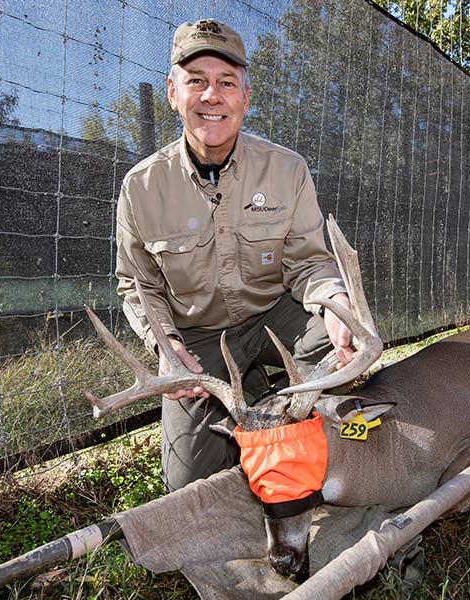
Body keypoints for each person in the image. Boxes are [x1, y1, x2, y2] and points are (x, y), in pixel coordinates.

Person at [115, 18, 354, 491]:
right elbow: (137, 285)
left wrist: (336, 306)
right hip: (199, 339)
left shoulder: (287, 170)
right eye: (196, 81)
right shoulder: (141, 187)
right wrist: (168, 346)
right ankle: (259, 395)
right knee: (188, 484)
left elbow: (309, 261)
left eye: (227, 83)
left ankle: (326, 451)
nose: (212, 96)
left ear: (245, 96)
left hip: (273, 316)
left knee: (345, 355)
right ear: (172, 92)